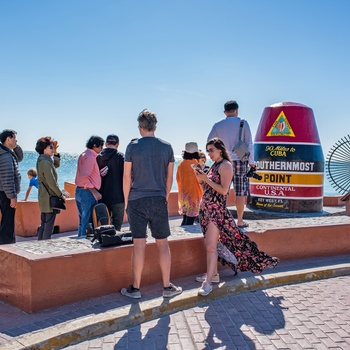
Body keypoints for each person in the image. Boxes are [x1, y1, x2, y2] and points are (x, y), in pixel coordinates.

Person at [194, 138, 279, 296]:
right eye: (208, 151)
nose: (209, 154)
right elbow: (208, 188)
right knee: (211, 245)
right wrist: (201, 181)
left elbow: (224, 190)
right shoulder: (214, 165)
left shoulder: (226, 165)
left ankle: (208, 283)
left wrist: (206, 179)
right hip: (206, 211)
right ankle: (213, 274)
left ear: (220, 149)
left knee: (212, 246)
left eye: (211, 150)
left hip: (215, 212)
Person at [121, 109, 182, 299]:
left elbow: (126, 176)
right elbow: (169, 177)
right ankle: (166, 287)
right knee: (162, 244)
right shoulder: (167, 147)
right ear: (155, 127)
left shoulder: (132, 147)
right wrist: (163, 197)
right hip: (158, 199)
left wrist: (126, 202)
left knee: (139, 245)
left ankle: (136, 288)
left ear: (140, 128)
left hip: (136, 200)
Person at [207, 100, 254, 228]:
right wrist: (251, 163)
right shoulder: (243, 123)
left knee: (222, 191)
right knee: (240, 192)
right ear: (236, 110)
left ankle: (221, 220)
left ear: (224, 112)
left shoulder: (218, 125)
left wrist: (215, 157)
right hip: (240, 161)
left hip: (224, 161)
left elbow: (209, 142)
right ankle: (239, 220)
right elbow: (249, 143)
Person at [35, 137, 65, 240]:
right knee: (48, 226)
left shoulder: (44, 160)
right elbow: (51, 182)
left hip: (44, 196)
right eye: (51, 147)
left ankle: (41, 246)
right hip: (49, 197)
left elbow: (56, 164)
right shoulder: (45, 162)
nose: (53, 149)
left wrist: (56, 152)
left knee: (44, 224)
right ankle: (45, 248)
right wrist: (60, 195)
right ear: (44, 148)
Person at [75, 135, 104, 238]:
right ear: (95, 145)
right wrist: (94, 191)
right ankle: (83, 242)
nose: (102, 149)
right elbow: (84, 177)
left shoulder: (83, 155)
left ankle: (80, 238)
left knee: (82, 220)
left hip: (80, 190)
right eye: (101, 146)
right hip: (87, 192)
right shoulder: (90, 157)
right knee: (87, 220)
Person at [96, 134, 125, 231]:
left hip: (102, 195)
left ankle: (103, 241)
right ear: (117, 144)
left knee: (103, 224)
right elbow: (126, 176)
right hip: (118, 196)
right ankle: (115, 243)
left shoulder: (98, 158)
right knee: (117, 225)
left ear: (106, 144)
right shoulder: (121, 157)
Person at [0, 129, 21, 244]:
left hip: (3, 192)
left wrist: (15, 146)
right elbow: (7, 178)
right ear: (8, 139)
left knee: (5, 222)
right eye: (14, 138)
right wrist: (12, 196)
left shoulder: (6, 153)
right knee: (8, 224)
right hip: (5, 193)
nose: (16, 140)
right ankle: (7, 248)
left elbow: (20, 157)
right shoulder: (5, 156)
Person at [176, 142, 203, 225]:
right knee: (191, 219)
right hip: (194, 195)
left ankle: (181, 234)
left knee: (185, 218)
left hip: (183, 194)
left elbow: (177, 179)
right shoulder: (196, 165)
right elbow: (201, 180)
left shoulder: (181, 164)